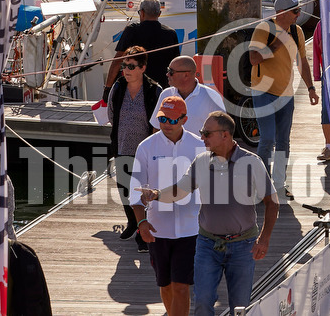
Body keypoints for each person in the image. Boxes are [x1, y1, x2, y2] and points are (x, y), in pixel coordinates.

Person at [138, 111, 279, 316]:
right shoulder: (201, 161)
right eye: (202, 133)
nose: (202, 137)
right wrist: (156, 194)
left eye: (206, 133)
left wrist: (264, 239)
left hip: (243, 246)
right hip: (207, 245)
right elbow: (180, 190)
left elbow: (272, 203)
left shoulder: (252, 163)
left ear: (225, 135)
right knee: (202, 304)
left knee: (239, 308)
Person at [129, 95, 203, 316]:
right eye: (162, 119)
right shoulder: (146, 147)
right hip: (157, 228)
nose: (165, 125)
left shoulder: (199, 146)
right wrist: (141, 222)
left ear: (184, 119)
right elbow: (136, 190)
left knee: (181, 285)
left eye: (172, 120)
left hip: (191, 229)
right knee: (166, 285)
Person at [247, 0, 317, 198]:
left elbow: (302, 62)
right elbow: (253, 59)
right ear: (281, 13)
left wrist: (311, 88)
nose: (299, 14)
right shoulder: (264, 29)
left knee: (284, 141)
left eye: (299, 10)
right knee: (267, 139)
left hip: (286, 94)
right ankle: (261, 186)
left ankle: (278, 184)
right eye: (295, 11)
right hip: (263, 91)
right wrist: (277, 43)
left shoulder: (298, 31)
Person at [107, 45, 163, 250]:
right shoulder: (118, 87)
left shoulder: (154, 90)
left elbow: (158, 121)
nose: (126, 70)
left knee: (142, 191)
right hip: (122, 145)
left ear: (142, 68)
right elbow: (112, 113)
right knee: (124, 189)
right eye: (124, 65)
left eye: (131, 66)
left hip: (144, 149)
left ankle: (142, 232)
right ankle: (132, 222)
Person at [154, 55, 226, 136]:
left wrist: (204, 148)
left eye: (171, 71)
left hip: (200, 148)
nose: (167, 74)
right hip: (169, 148)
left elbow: (222, 131)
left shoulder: (212, 97)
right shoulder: (165, 94)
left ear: (186, 75)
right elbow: (156, 127)